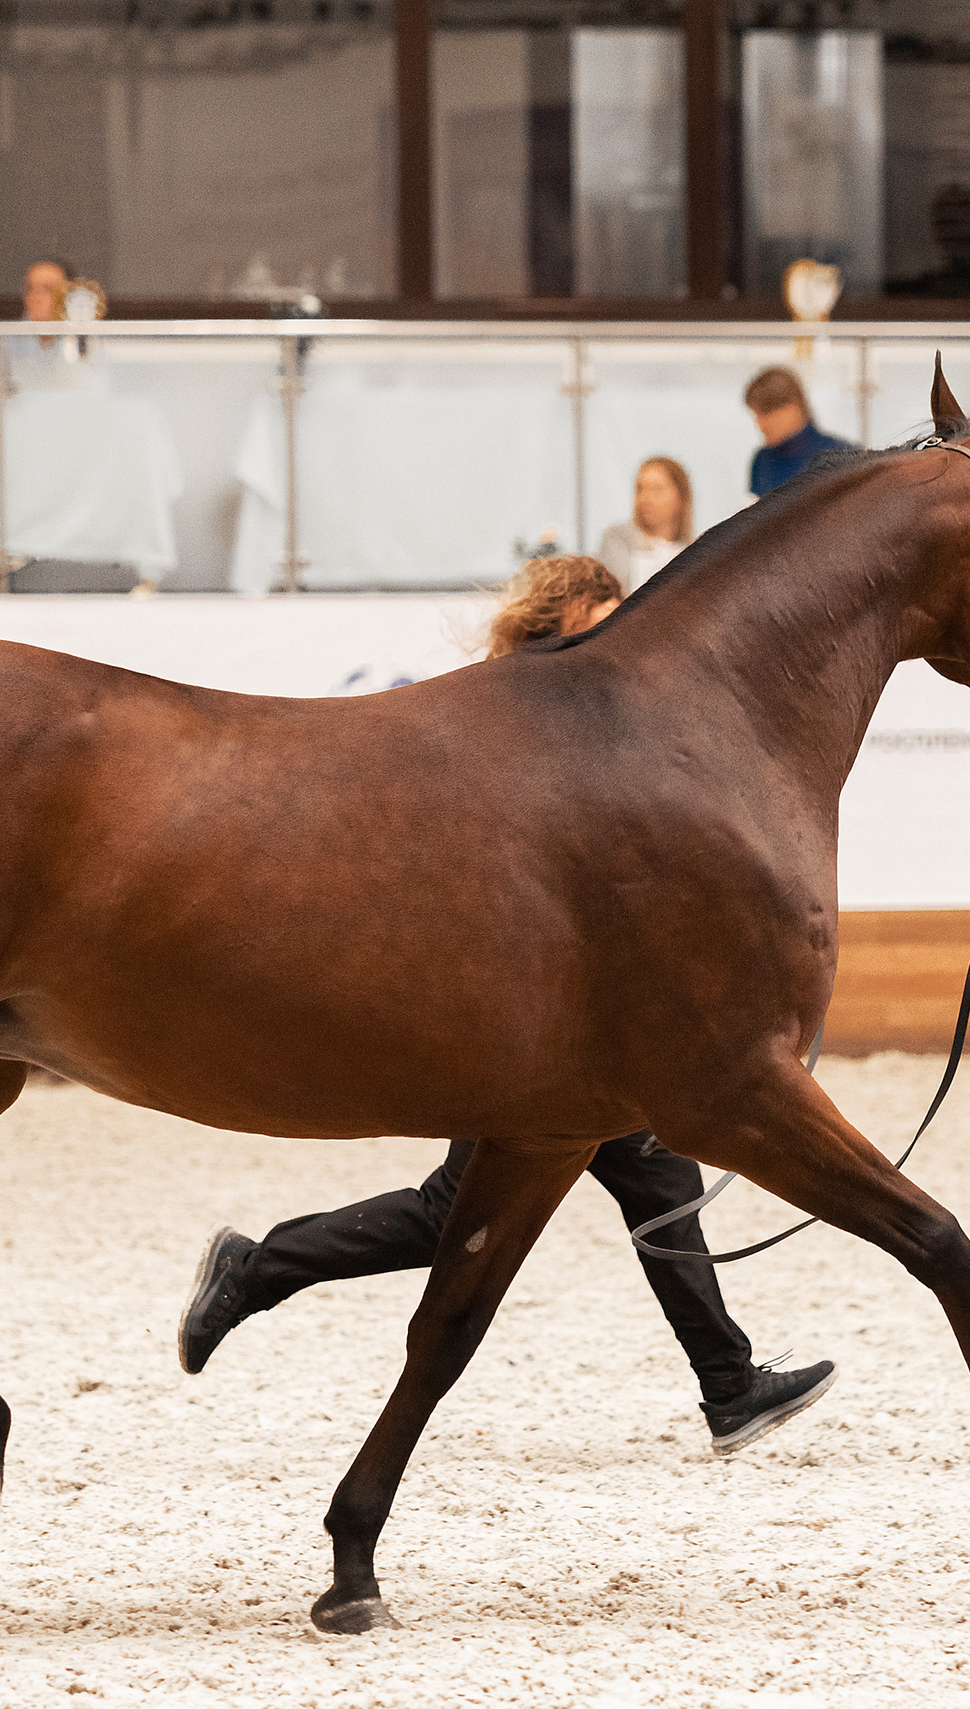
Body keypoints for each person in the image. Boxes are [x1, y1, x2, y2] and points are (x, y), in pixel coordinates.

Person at [177, 554, 838, 1456]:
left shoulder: (598, 712)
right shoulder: (526, 712)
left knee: (658, 1182)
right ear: (553, 622)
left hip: (592, 1024)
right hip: (525, 1023)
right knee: (458, 1209)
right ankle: (257, 1267)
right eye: (597, 621)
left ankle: (728, 1381)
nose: (616, 639)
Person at [745, 369, 855, 498]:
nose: (760, 425)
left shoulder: (842, 456)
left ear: (792, 408)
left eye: (766, 414)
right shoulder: (762, 460)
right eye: (756, 415)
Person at [596, 457, 695, 589]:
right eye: (640, 489)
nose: (646, 498)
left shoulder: (694, 554)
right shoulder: (617, 539)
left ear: (681, 498)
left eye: (657, 489)